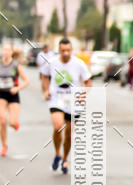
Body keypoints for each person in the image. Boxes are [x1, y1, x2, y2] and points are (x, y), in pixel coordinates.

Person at [41, 38, 92, 174]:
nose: (65, 53)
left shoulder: (79, 64)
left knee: (69, 133)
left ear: (71, 50)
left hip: (72, 100)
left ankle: (65, 158)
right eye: (63, 50)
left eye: (68, 50)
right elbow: (44, 76)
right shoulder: (51, 62)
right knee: (58, 126)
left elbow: (88, 83)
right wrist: (45, 90)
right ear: (59, 50)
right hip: (56, 99)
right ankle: (57, 153)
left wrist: (83, 94)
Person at [0, 43, 30, 156]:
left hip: (13, 94)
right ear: (2, 51)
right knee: (2, 120)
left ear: (12, 52)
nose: (6, 52)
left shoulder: (15, 65)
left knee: (12, 122)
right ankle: (4, 145)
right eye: (4, 50)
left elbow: (27, 81)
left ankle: (14, 124)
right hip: (1, 94)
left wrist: (17, 88)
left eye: (8, 50)